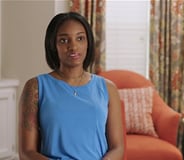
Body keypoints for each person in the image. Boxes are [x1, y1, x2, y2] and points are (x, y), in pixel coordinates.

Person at [18, 12, 124, 160]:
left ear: (88, 43)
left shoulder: (108, 88)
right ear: (53, 45)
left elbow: (117, 148)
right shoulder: (35, 87)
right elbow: (26, 152)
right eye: (63, 40)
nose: (73, 46)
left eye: (80, 38)